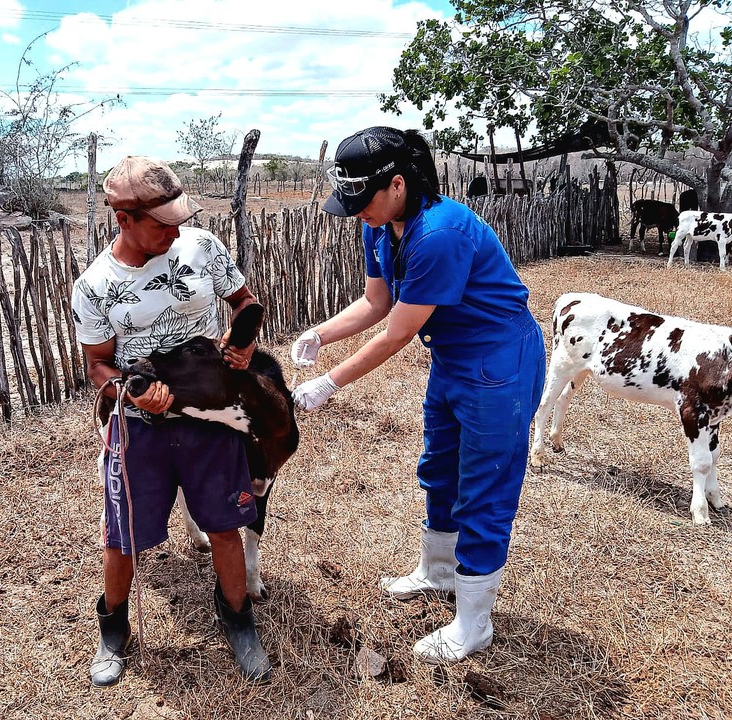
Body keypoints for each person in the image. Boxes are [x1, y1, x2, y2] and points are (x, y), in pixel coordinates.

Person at [290, 127, 546, 664]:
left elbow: (398, 333)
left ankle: (474, 622)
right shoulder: (381, 224)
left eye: (363, 200)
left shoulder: (439, 234)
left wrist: (329, 382)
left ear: (399, 184)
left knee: (484, 485)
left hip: (498, 359)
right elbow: (375, 303)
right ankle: (438, 572)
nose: (357, 212)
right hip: (453, 358)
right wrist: (321, 333)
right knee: (439, 468)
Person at [71, 155, 270, 686]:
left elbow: (244, 301)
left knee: (228, 526)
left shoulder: (202, 248)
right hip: (142, 431)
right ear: (124, 219)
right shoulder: (95, 285)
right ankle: (113, 630)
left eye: (179, 218)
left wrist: (244, 341)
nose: (174, 231)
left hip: (213, 417)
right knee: (123, 538)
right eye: (161, 224)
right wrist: (134, 395)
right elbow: (97, 366)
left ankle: (238, 620)